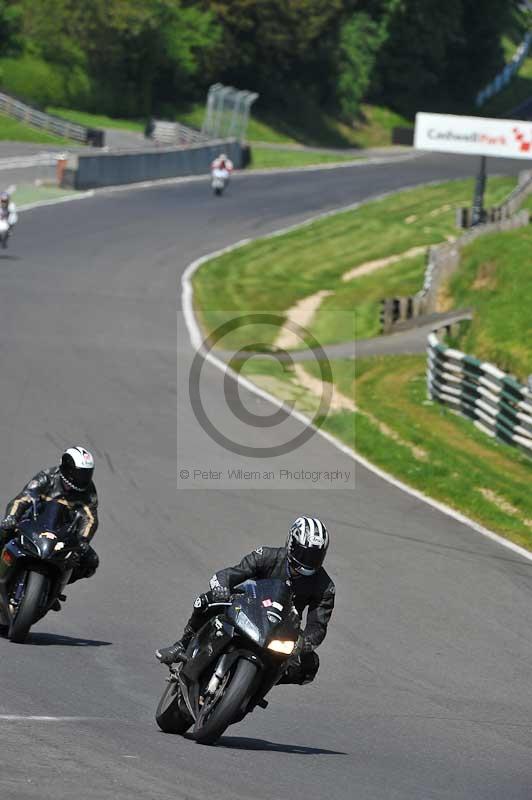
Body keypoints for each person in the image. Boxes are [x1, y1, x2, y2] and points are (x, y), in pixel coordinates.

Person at [156, 516, 335, 686]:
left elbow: (318, 626)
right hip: (249, 606)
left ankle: (261, 681)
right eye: (303, 554)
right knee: (206, 601)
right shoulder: (267, 555)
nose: (307, 561)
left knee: (310, 665)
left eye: (314, 557)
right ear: (291, 544)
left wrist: (303, 642)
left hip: (282, 627)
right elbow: (233, 573)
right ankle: (181, 645)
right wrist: (221, 586)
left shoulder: (325, 586)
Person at [0, 447, 99, 607]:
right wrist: (11, 517)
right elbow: (23, 499)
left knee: (90, 561)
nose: (82, 478)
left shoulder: (88, 491)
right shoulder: (47, 477)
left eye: (86, 474)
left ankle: (54, 588)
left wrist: (84, 540)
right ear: (66, 468)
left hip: (62, 534)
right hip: (32, 524)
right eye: (79, 473)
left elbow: (90, 518)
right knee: (3, 531)